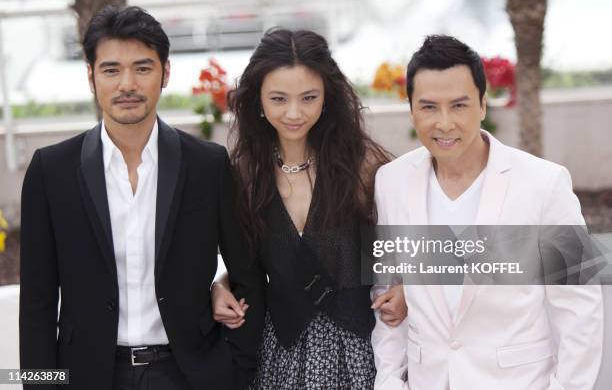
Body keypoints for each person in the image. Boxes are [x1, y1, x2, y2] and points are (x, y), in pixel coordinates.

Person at [19, 6, 265, 390]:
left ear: (166, 73)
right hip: (87, 377)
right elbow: (36, 302)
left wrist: (237, 367)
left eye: (143, 68)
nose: (127, 84)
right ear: (91, 77)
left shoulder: (207, 165)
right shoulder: (50, 171)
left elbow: (248, 273)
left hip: (188, 374)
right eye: (111, 69)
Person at [371, 35, 604, 390]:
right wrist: (388, 381)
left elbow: (580, 310)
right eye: (429, 106)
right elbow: (389, 294)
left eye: (459, 105)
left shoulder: (546, 183)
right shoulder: (391, 182)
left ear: (483, 105)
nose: (444, 123)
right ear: (412, 108)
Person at [210, 28, 406, 389]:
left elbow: (397, 247)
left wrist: (408, 287)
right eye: (279, 99)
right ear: (258, 101)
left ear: (327, 97)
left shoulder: (365, 166)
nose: (294, 113)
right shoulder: (245, 175)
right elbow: (247, 263)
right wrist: (219, 285)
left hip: (361, 350)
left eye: (309, 97)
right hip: (280, 351)